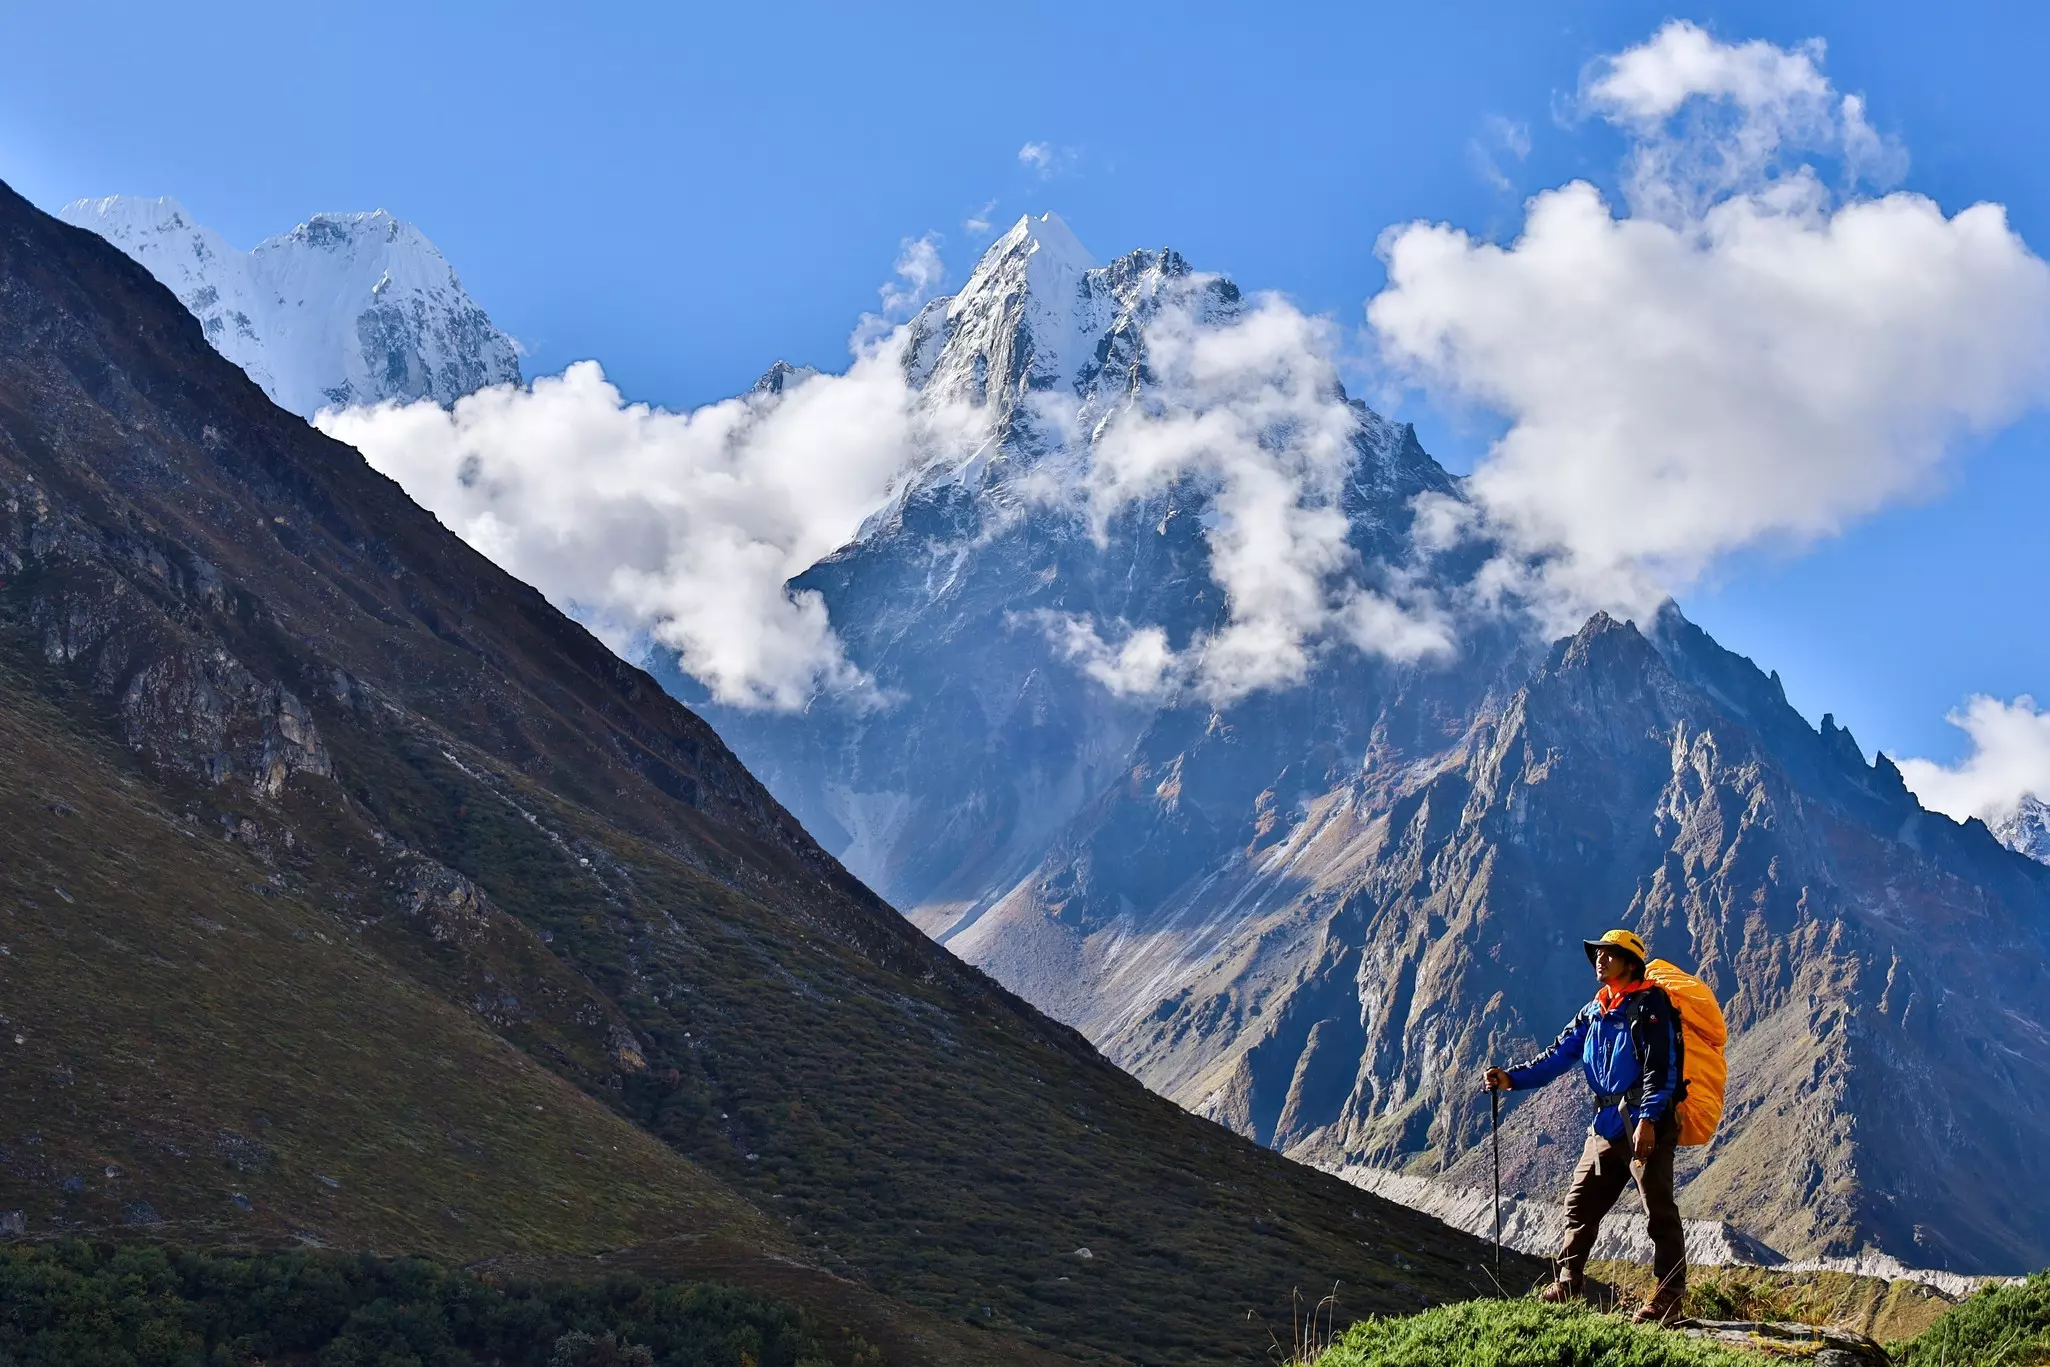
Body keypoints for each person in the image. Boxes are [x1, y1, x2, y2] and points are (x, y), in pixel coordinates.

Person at [1483, 928, 1686, 1323]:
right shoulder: (1595, 1011)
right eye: (1597, 954)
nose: (1600, 959)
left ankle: (1668, 1296)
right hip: (1607, 1125)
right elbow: (1558, 1055)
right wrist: (1512, 1078)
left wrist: (1648, 1120)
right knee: (1580, 1202)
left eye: (1610, 954)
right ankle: (1569, 1282)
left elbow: (1663, 1069)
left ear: (1630, 963)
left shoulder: (1651, 1005)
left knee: (1657, 1209)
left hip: (1646, 1124)